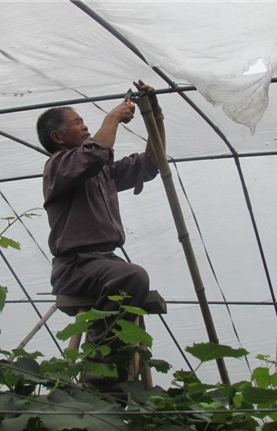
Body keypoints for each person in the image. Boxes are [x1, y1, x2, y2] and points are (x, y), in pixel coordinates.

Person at [37, 80, 165, 383]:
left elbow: (151, 162)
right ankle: (100, 373)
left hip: (102, 263)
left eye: (84, 121)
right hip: (75, 267)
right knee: (131, 276)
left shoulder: (101, 171)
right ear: (57, 137)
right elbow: (93, 155)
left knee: (128, 277)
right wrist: (112, 118)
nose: (84, 126)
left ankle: (117, 369)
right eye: (77, 122)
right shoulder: (58, 167)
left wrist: (154, 115)